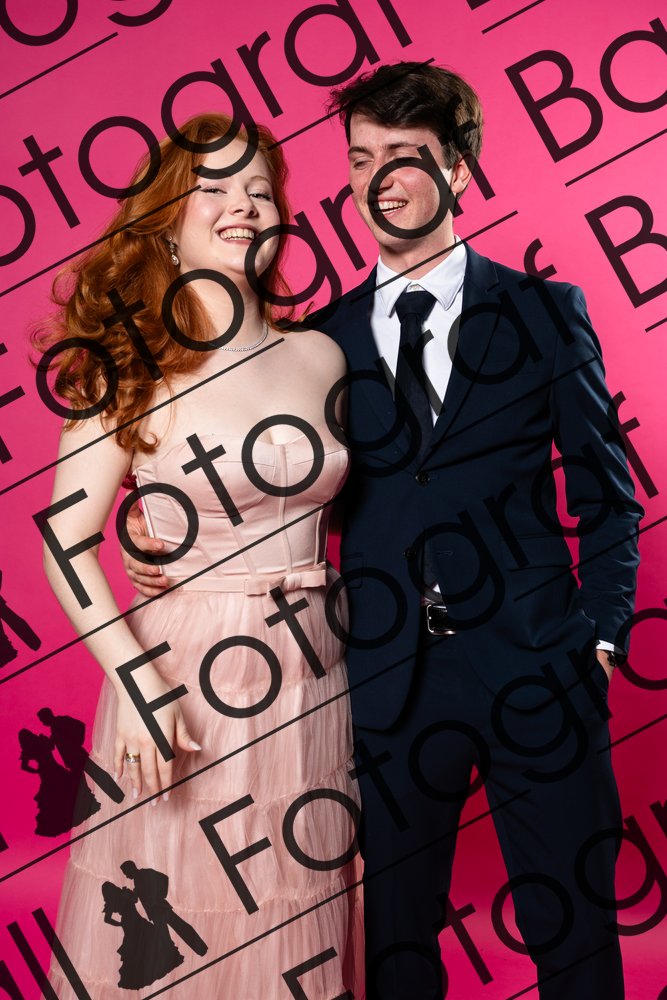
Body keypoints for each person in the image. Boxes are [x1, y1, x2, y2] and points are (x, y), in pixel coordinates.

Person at [125, 62, 643, 999]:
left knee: (575, 942)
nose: (379, 181)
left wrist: (599, 639)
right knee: (394, 951)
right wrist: (161, 532)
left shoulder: (542, 313)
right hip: (383, 684)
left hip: (539, 667)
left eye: (403, 156)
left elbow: (608, 496)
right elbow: (277, 484)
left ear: (457, 168)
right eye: (361, 159)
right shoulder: (322, 344)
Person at [39, 112, 362, 998]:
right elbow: (64, 542)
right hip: (185, 675)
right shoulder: (129, 362)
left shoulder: (322, 354)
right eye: (213, 189)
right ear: (167, 223)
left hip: (314, 665)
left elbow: (340, 505)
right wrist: (137, 683)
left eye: (260, 189)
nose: (243, 206)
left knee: (294, 901)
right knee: (181, 904)